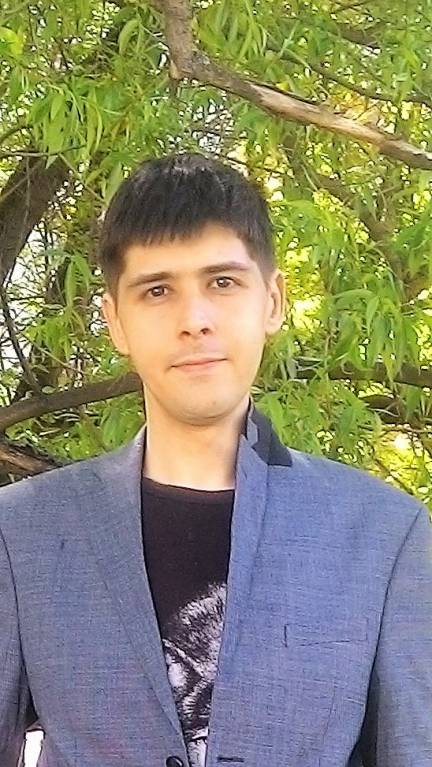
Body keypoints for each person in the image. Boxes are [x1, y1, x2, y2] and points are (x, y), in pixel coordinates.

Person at [0, 153, 431, 767]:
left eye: (223, 282)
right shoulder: (22, 532)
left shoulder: (385, 535)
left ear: (273, 300)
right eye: (157, 290)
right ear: (115, 321)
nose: (194, 320)